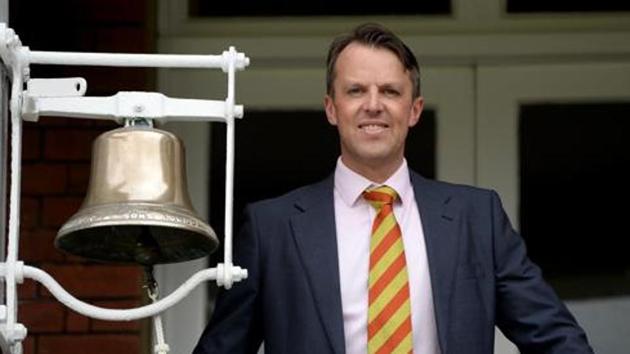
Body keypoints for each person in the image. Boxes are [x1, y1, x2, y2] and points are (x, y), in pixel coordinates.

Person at [193, 23, 593, 354]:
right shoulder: (272, 228)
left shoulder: (478, 218)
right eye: (355, 91)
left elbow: (557, 340)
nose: (373, 105)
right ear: (332, 108)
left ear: (413, 110)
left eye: (390, 91)